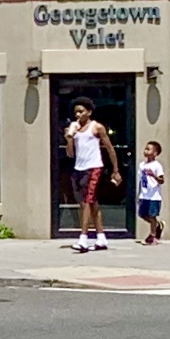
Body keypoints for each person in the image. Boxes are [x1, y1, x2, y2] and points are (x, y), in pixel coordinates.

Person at [63, 100, 120, 251]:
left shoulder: (97, 127)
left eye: (81, 111)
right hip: (79, 167)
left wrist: (115, 169)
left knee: (87, 202)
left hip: (93, 167)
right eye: (76, 112)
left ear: (89, 112)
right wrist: (69, 138)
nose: (78, 114)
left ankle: (83, 238)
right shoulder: (75, 129)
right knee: (90, 202)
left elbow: (109, 148)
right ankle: (101, 238)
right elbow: (70, 154)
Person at [135, 140, 166, 246]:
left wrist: (153, 175)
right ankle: (157, 225)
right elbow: (141, 180)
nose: (146, 151)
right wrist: (139, 194)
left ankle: (152, 236)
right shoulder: (142, 165)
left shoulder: (157, 166)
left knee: (152, 216)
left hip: (154, 196)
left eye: (149, 149)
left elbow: (162, 180)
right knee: (142, 214)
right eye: (145, 148)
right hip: (144, 194)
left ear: (155, 153)